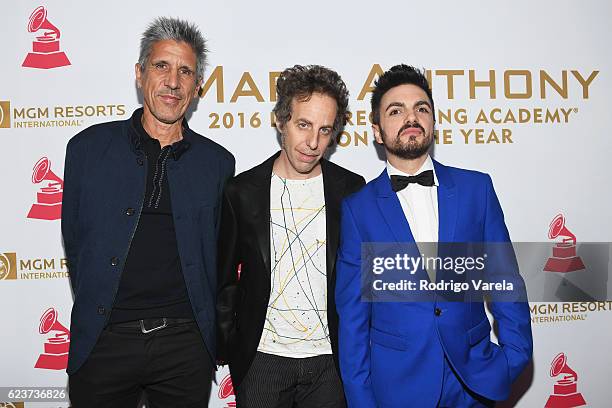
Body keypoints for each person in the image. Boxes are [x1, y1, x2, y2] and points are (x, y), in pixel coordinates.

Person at [335, 64, 532, 407]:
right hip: (397, 389)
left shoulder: (477, 189)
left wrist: (513, 357)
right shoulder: (358, 210)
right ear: (378, 132)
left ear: (433, 122)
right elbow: (353, 322)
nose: (411, 118)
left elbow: (505, 281)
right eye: (396, 111)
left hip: (473, 385)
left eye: (421, 108)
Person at [61, 17, 234, 407]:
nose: (173, 81)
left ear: (197, 86)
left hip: (184, 346)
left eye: (185, 71)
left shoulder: (217, 163)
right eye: (162, 66)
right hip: (105, 342)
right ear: (139, 75)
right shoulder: (87, 150)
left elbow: (218, 258)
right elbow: (78, 242)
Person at [216, 65, 365, 407]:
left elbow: (362, 280)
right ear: (281, 121)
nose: (313, 143)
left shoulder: (352, 190)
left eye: (325, 130)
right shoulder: (242, 191)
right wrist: (228, 345)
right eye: (303, 125)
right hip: (262, 362)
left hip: (332, 364)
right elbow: (225, 280)